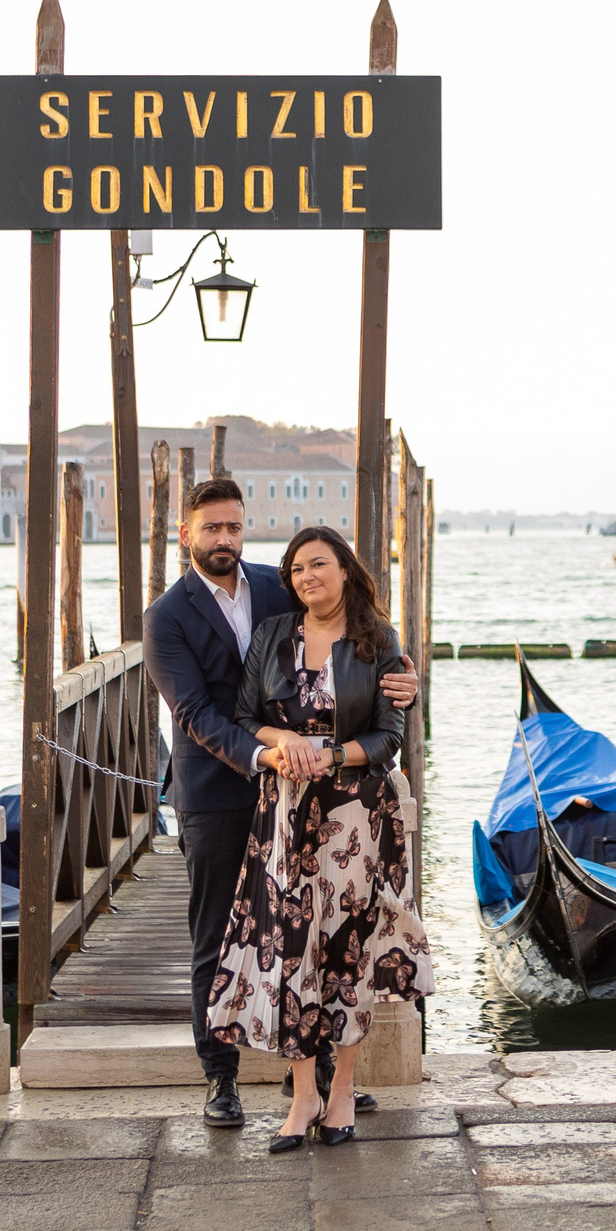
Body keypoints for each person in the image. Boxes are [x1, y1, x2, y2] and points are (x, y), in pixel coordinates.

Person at [145, 479, 414, 1128]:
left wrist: (403, 682)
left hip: (307, 800)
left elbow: (351, 655)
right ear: (187, 534)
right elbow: (195, 713)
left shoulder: (278, 583)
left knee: (313, 930)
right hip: (217, 791)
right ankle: (221, 1076)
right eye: (211, 529)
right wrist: (268, 753)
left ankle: (324, 1078)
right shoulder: (166, 616)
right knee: (218, 933)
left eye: (233, 528)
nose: (224, 540)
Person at [205, 525, 436, 1151]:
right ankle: (303, 1093)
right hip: (284, 816)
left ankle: (341, 1096)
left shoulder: (378, 643)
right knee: (291, 949)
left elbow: (389, 737)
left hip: (358, 821)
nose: (308, 578)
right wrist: (288, 747)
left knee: (349, 951)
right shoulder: (274, 636)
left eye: (319, 565)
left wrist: (330, 757)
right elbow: (247, 718)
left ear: (345, 570)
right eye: (297, 571)